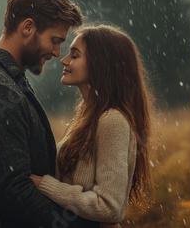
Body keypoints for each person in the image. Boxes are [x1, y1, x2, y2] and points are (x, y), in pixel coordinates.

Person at [0, 0, 99, 227]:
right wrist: (86, 226)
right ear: (28, 27)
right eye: (55, 40)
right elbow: (13, 193)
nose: (57, 53)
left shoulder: (8, 81)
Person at [30, 25, 153, 226]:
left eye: (75, 55)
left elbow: (109, 207)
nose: (64, 60)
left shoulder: (112, 120)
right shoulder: (86, 117)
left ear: (100, 64)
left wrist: (45, 185)